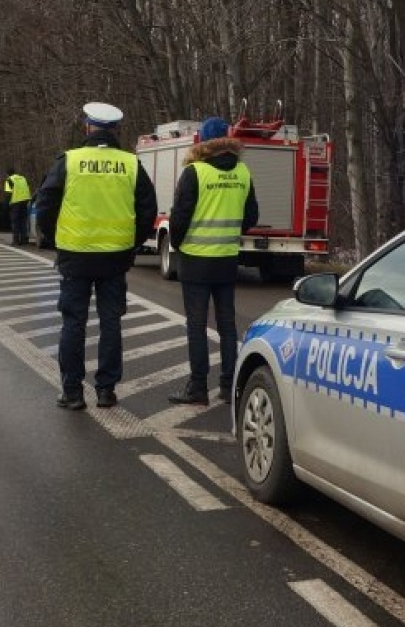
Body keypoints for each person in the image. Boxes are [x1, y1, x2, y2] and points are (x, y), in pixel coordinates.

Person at [35, 102, 157, 411]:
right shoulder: (131, 164)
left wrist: (54, 238)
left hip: (75, 255)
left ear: (88, 128)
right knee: (111, 322)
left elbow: (45, 202)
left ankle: (73, 391)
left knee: (73, 322)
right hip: (115, 257)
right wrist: (132, 242)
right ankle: (106, 391)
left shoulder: (70, 161)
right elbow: (148, 211)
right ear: (116, 130)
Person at [166, 117, 259, 405]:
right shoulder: (243, 172)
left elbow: (179, 217)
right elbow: (251, 216)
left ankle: (197, 388)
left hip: (195, 260)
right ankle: (229, 385)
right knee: (227, 325)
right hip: (226, 260)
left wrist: (177, 245)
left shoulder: (194, 173)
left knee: (196, 325)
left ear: (203, 142)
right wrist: (230, 233)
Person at [4, 166, 32, 246]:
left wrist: (5, 206)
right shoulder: (22, 178)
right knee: (23, 220)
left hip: (15, 202)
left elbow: (8, 194)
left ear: (7, 174)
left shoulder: (9, 180)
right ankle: (24, 240)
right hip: (25, 200)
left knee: (15, 221)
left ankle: (16, 240)